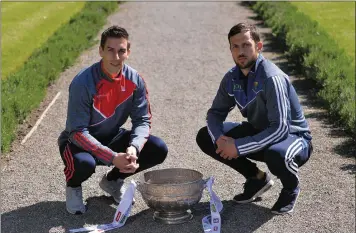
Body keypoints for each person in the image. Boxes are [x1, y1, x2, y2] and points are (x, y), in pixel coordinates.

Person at [196, 23, 313, 215]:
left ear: (258, 46)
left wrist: (238, 146)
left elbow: (281, 129)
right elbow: (215, 114)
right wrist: (220, 139)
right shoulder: (231, 78)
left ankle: (291, 188)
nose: (241, 51)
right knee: (206, 136)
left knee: (276, 154)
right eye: (235, 46)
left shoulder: (272, 78)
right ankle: (257, 179)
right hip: (261, 132)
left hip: (294, 138)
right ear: (231, 50)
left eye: (246, 45)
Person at [58, 26, 168, 215]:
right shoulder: (82, 82)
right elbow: (77, 131)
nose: (116, 57)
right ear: (100, 51)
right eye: (110, 50)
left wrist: (133, 148)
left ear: (128, 52)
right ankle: (73, 187)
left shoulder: (135, 80)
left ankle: (113, 181)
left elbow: (142, 120)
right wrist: (112, 157)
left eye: (121, 51)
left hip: (111, 136)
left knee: (158, 148)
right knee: (84, 164)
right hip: (77, 142)